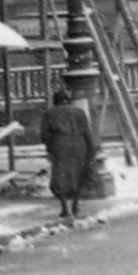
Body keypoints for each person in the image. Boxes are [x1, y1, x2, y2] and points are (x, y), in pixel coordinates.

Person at [39, 87, 95, 219]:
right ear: (68, 101)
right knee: (77, 174)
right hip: (79, 144)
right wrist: (90, 149)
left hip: (60, 145)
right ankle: (76, 205)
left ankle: (65, 208)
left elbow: (44, 135)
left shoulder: (50, 114)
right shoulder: (79, 112)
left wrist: (50, 147)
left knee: (61, 176)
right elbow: (87, 132)